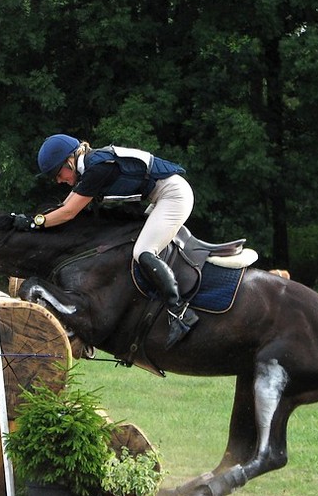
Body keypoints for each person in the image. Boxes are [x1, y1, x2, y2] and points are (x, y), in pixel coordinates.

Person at [13, 133, 198, 349]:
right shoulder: (90, 166)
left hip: (173, 195)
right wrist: (34, 220)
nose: (58, 180)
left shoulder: (97, 168)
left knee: (143, 251)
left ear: (69, 162)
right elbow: (64, 206)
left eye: (57, 173)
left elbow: (68, 213)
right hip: (159, 196)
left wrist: (34, 223)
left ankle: (180, 313)